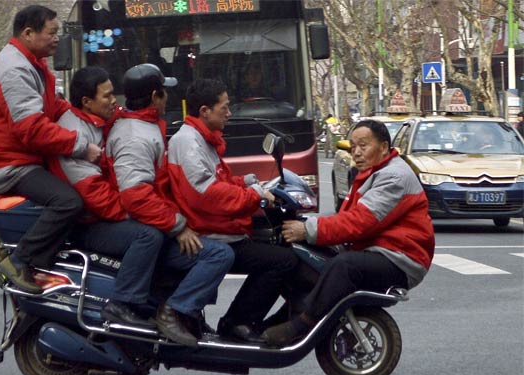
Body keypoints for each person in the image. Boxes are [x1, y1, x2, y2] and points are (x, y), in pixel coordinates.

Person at [261, 119, 435, 347]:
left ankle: (302, 324)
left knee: (344, 265)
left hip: (400, 259)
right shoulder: (370, 172)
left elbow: (360, 222)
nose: (357, 152)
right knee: (299, 259)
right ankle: (283, 318)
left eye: (364, 145)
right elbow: (346, 219)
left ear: (383, 147)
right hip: (375, 249)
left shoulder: (394, 177)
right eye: (353, 147)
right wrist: (309, 224)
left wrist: (307, 229)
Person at [104, 64, 234, 346]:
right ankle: (174, 313)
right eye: (165, 92)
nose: (169, 98)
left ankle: (187, 314)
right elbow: (136, 196)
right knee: (218, 255)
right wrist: (178, 226)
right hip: (145, 225)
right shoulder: (133, 137)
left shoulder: (145, 126)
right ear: (154, 96)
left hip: (155, 222)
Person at [0, 5, 101, 294]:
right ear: (28, 33)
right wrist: (83, 147)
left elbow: (54, 108)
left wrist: (93, 119)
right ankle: (22, 262)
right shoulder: (15, 69)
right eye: (52, 32)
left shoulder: (34, 63)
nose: (57, 38)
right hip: (10, 165)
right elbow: (32, 129)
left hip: (25, 158)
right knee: (69, 201)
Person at [168, 78, 299, 343]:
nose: (229, 113)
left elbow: (216, 181)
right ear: (205, 111)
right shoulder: (188, 142)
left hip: (220, 227)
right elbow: (206, 194)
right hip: (210, 233)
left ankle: (237, 322)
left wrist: (247, 182)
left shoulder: (203, 139)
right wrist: (252, 196)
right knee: (281, 260)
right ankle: (236, 323)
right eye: (224, 107)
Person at [49, 66, 164, 329]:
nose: (114, 101)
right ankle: (122, 303)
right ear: (87, 102)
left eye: (114, 94)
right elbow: (96, 196)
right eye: (107, 96)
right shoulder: (74, 132)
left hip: (101, 214)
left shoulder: (98, 119)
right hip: (88, 222)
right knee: (149, 235)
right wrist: (138, 211)